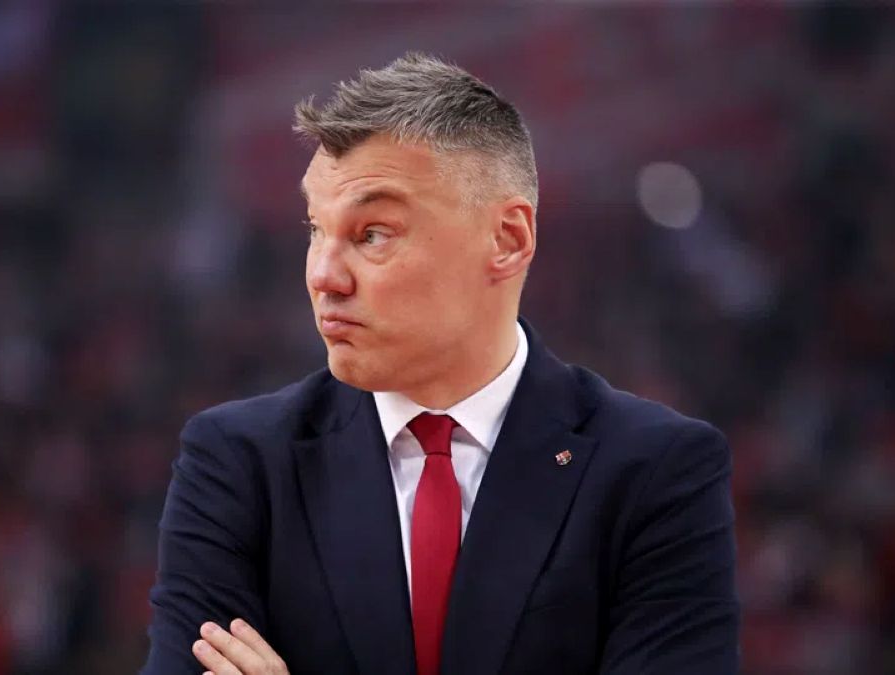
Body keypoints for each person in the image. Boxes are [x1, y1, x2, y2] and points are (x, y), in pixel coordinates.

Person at [141, 52, 739, 675]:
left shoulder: (657, 470)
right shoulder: (236, 464)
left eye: (372, 233)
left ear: (507, 239)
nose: (323, 275)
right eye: (316, 229)